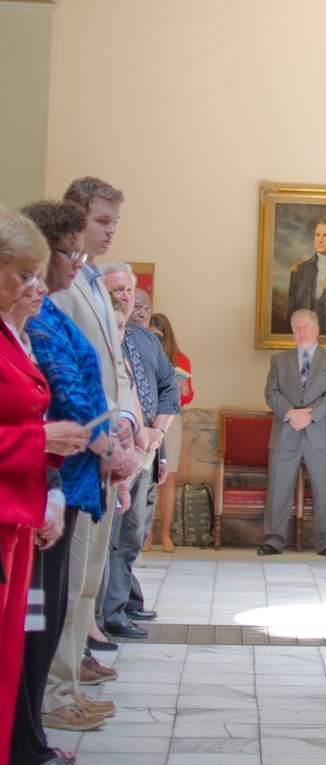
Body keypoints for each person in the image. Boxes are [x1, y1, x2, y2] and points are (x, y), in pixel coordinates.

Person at [1, 205, 100, 752]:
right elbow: (45, 413)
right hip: (11, 508)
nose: (35, 286)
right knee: (27, 634)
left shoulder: (21, 331)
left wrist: (53, 490)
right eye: (25, 274)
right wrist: (48, 442)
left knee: (29, 634)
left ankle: (24, 738)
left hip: (27, 507)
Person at [44, 177, 139, 726]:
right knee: (66, 579)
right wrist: (102, 436)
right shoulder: (60, 282)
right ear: (75, 218)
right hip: (78, 455)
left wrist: (125, 419)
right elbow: (63, 376)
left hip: (106, 445)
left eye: (114, 222)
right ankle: (54, 695)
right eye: (102, 221)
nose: (109, 231)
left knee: (86, 581)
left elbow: (114, 363)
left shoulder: (96, 282)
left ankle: (70, 685)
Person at [99, 262, 179, 639]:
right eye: (116, 291)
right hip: (116, 447)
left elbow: (169, 389)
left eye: (128, 290)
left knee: (133, 533)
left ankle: (120, 605)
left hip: (148, 450)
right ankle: (108, 613)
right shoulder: (101, 333)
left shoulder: (146, 338)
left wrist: (158, 435)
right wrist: (139, 432)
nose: (125, 298)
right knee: (110, 532)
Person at [258, 309, 326, 557]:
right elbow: (271, 393)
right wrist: (290, 413)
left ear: (316, 330)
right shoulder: (278, 360)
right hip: (286, 431)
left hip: (322, 433)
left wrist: (308, 415)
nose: (301, 331)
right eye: (296, 327)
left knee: (325, 489)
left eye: (306, 326)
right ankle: (273, 540)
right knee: (279, 488)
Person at [146, 312, 193, 553]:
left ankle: (164, 533)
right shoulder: (143, 352)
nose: (155, 340)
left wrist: (183, 388)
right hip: (146, 417)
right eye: (151, 335)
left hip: (171, 419)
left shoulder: (180, 359)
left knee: (168, 477)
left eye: (159, 337)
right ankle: (146, 532)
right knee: (146, 477)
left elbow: (189, 396)